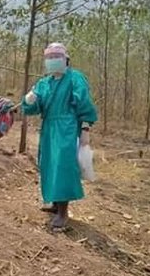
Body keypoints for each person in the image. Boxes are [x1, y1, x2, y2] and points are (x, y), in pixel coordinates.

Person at [22, 42, 98, 230]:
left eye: (57, 57)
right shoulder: (44, 83)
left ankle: (63, 213)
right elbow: (33, 108)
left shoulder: (75, 78)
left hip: (68, 127)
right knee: (49, 164)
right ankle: (55, 203)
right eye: (49, 58)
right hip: (49, 127)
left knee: (63, 166)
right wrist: (29, 100)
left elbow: (84, 103)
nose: (53, 61)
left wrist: (86, 128)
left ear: (66, 59)